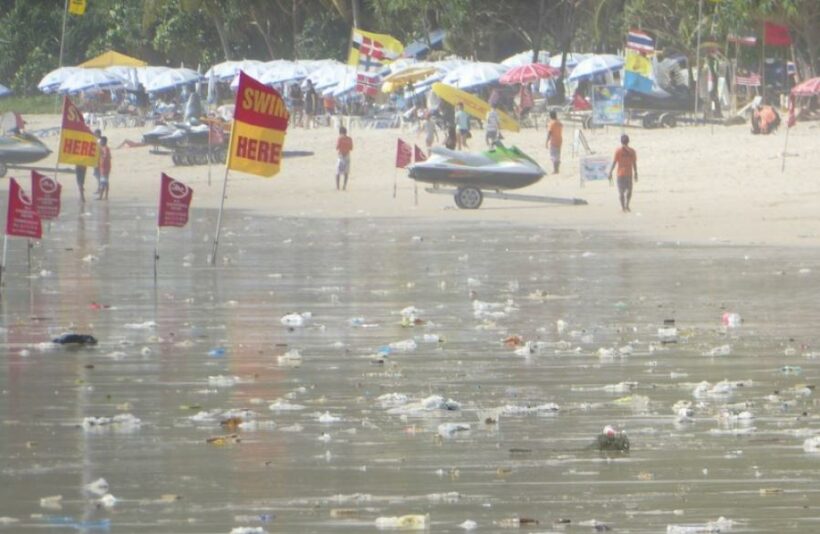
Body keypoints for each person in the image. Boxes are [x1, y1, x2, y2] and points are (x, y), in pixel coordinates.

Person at [608, 134, 638, 213]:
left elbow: (614, 162)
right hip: (629, 174)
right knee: (629, 191)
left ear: (621, 142)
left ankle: (623, 207)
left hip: (620, 175)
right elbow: (634, 163)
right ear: (628, 141)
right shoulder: (632, 151)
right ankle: (627, 205)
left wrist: (610, 172)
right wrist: (636, 173)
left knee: (621, 192)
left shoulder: (618, 151)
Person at [335, 126, 353, 191]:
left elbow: (337, 147)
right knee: (346, 172)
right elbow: (351, 148)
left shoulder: (340, 139)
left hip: (341, 156)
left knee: (338, 172)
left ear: (340, 132)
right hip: (347, 156)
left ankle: (337, 187)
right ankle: (344, 186)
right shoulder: (349, 139)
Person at [92, 128, 102, 194]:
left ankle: (99, 189)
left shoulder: (99, 141)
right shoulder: (97, 140)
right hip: (96, 159)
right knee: (97, 175)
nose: (94, 134)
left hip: (98, 160)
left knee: (98, 175)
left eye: (95, 133)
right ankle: (99, 188)